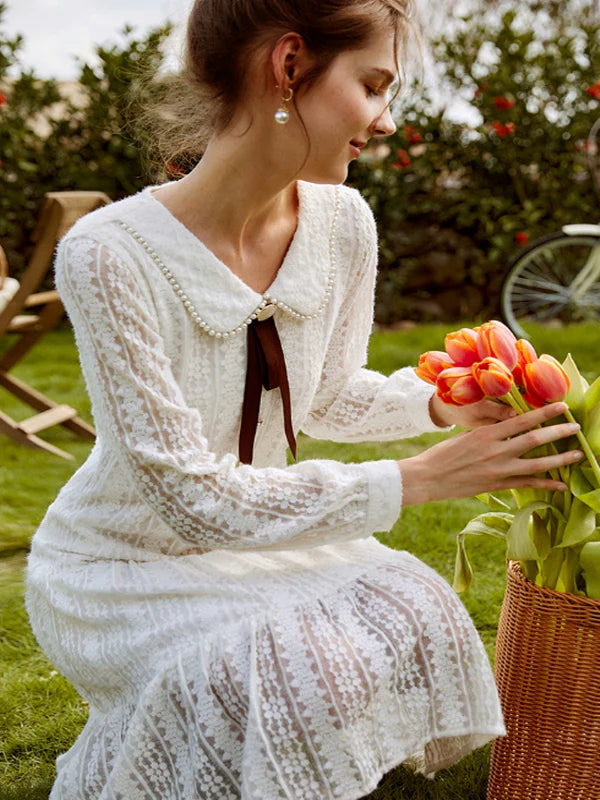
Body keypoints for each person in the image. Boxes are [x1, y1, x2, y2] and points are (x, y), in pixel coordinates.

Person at [25, 1, 582, 798]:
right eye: (373, 85)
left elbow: (327, 395)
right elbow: (186, 495)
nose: (384, 121)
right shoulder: (109, 252)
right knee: (294, 671)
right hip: (119, 563)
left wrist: (441, 405)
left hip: (262, 538)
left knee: (419, 608)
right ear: (289, 66)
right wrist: (416, 480)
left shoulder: (343, 221)